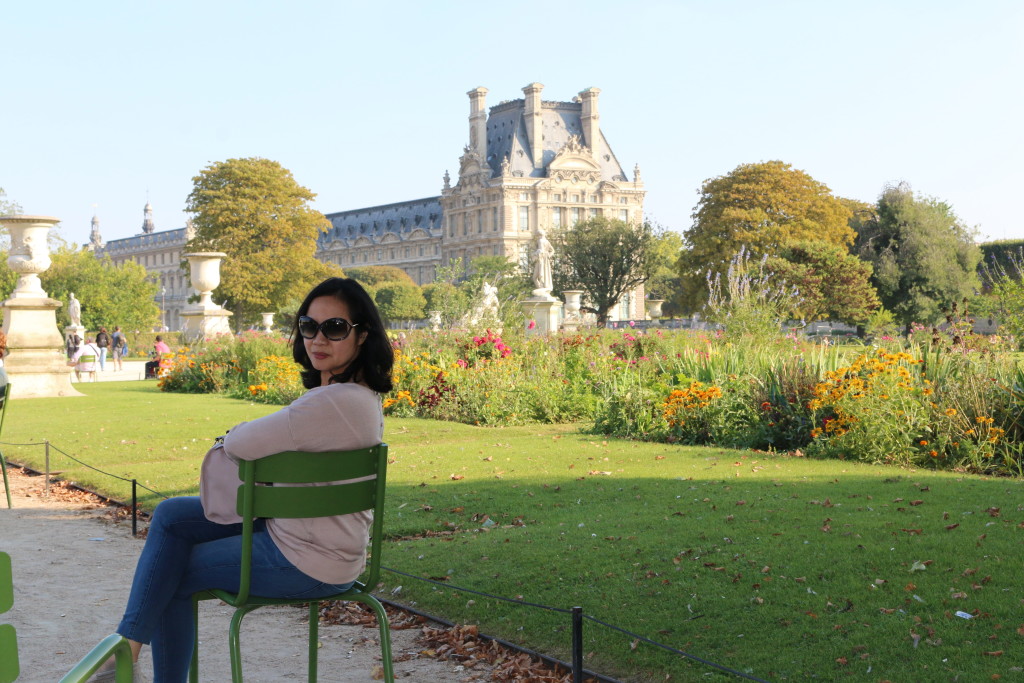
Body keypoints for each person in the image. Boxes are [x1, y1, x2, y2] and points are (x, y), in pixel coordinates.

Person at [87, 278, 394, 681]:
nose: (318, 338)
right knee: (171, 515)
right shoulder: (361, 398)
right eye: (308, 326)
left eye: (334, 328)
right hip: (328, 547)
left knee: (172, 573)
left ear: (362, 334)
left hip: (306, 562)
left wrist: (240, 431)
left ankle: (131, 654)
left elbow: (240, 444)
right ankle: (127, 646)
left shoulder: (327, 405)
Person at [532, 227, 554, 294]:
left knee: (536, 277)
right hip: (543, 259)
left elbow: (540, 250)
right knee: (539, 275)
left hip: (541, 258)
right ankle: (542, 288)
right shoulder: (547, 241)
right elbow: (552, 250)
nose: (537, 237)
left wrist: (534, 254)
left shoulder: (540, 241)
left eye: (538, 235)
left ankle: (541, 288)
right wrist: (548, 256)